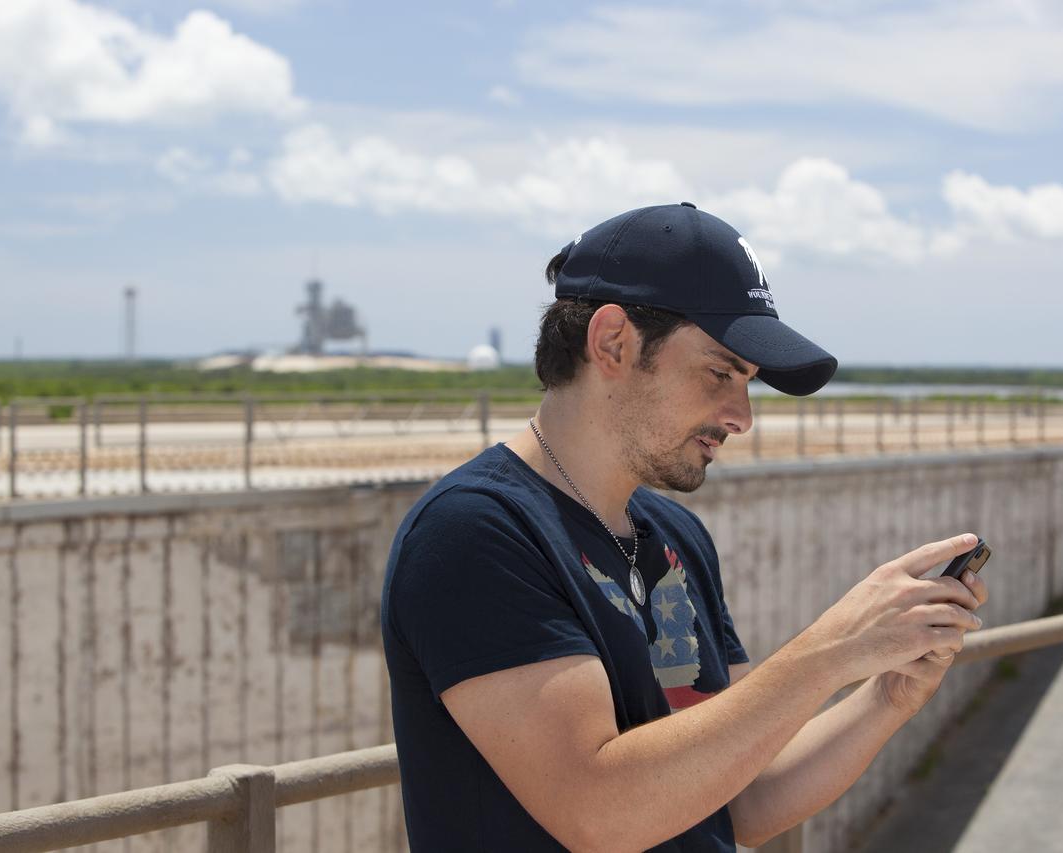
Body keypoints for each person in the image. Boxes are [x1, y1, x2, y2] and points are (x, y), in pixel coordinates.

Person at [380, 202, 988, 851]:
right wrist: (834, 648)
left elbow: (744, 797)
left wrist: (886, 694)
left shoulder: (673, 535)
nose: (742, 415)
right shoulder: (474, 532)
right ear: (612, 341)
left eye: (748, 382)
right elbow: (599, 811)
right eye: (720, 372)